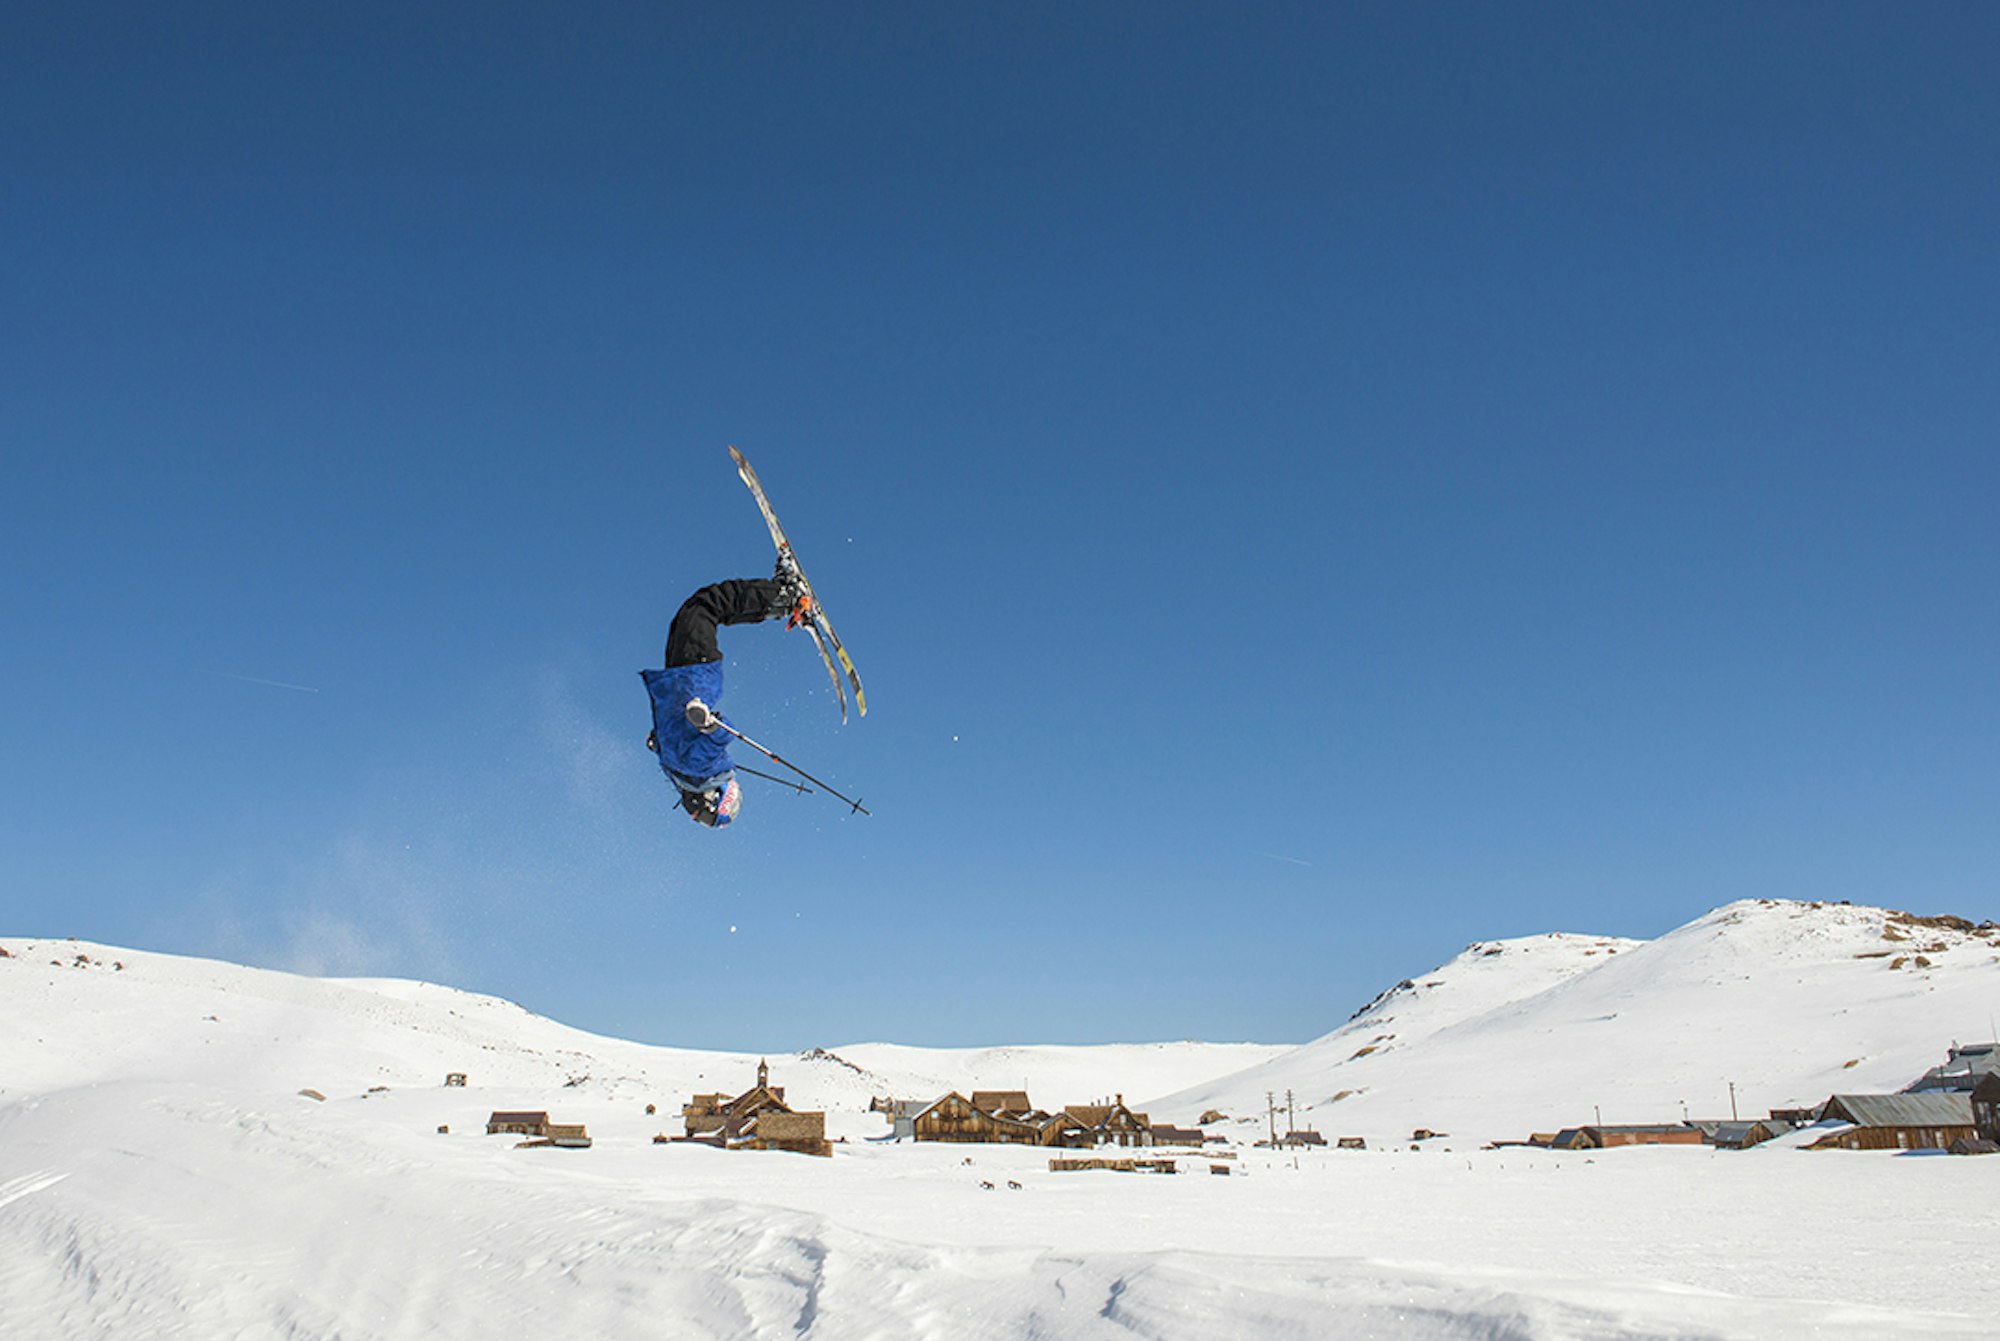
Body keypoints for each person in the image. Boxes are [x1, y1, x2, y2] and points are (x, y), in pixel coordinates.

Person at [641, 565, 811, 827]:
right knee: (706, 606)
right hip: (694, 677)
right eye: (703, 816)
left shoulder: (684, 775)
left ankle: (782, 599)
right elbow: (722, 737)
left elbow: (678, 743)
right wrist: (708, 724)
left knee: (689, 613)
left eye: (699, 819)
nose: (693, 815)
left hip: (678, 679)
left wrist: (657, 742)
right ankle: (786, 598)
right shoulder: (702, 770)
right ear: (716, 799)